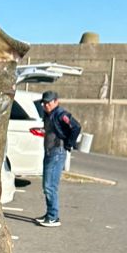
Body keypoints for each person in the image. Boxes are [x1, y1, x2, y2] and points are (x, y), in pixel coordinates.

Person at [36, 89, 80, 227]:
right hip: (49, 151)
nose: (45, 105)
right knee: (46, 185)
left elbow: (76, 127)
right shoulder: (48, 114)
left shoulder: (61, 114)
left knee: (50, 185)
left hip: (57, 151)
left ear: (56, 101)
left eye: (48, 103)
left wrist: (69, 144)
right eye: (44, 103)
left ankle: (53, 217)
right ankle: (50, 213)